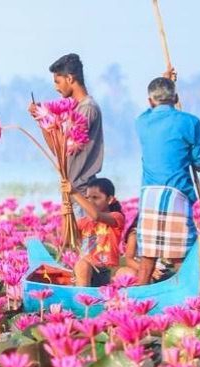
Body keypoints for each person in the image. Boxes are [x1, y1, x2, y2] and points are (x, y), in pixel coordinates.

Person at [134, 77, 200, 285]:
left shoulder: (142, 122)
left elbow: (151, 111)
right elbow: (199, 163)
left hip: (150, 194)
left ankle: (141, 295)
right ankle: (189, 292)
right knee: (180, 255)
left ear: (150, 102)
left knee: (148, 255)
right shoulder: (191, 122)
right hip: (177, 193)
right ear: (175, 97)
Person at [29, 54, 104, 199]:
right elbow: (58, 151)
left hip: (83, 192)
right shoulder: (73, 109)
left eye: (58, 81)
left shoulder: (87, 108)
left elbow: (66, 150)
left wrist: (47, 118)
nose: (56, 87)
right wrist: (42, 120)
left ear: (70, 79)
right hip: (71, 191)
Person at [61, 177, 125, 287]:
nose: (90, 201)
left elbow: (96, 216)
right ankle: (83, 300)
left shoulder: (116, 217)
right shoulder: (83, 222)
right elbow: (67, 241)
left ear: (110, 199)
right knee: (82, 265)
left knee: (127, 272)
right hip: (86, 272)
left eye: (95, 198)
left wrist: (75, 192)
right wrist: (65, 216)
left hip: (107, 272)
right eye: (87, 198)